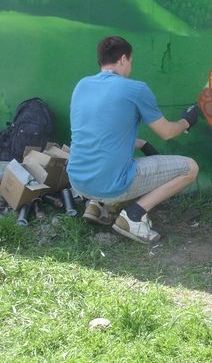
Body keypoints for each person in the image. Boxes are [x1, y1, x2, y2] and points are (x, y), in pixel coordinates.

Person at [67, 35, 199, 244]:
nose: (130, 67)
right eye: (131, 61)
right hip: (110, 184)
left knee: (107, 161)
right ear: (123, 59)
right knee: (190, 168)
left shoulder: (82, 85)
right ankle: (133, 217)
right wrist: (186, 121)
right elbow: (166, 132)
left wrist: (141, 143)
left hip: (77, 181)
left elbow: (99, 133)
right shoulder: (135, 89)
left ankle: (97, 206)